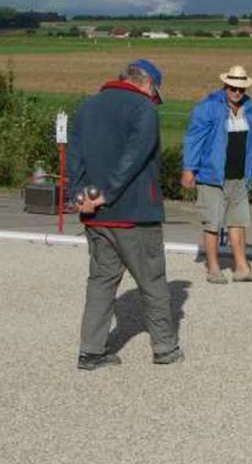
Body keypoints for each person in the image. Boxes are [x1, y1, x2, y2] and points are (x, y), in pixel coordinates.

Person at [68, 58, 182, 371]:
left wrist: (79, 197)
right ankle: (165, 348)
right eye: (155, 92)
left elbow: (74, 157)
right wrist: (110, 192)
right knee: (153, 281)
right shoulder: (143, 109)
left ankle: (91, 351)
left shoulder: (88, 107)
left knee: (101, 281)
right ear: (148, 84)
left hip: (95, 214)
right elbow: (135, 157)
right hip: (135, 213)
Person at [181, 65, 252, 284]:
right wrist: (189, 169)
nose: (237, 92)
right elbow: (194, 139)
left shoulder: (251, 109)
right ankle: (213, 268)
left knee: (238, 223)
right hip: (212, 176)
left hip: (240, 175)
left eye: (241, 88)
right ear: (225, 85)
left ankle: (242, 268)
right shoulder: (207, 107)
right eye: (232, 87)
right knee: (212, 223)